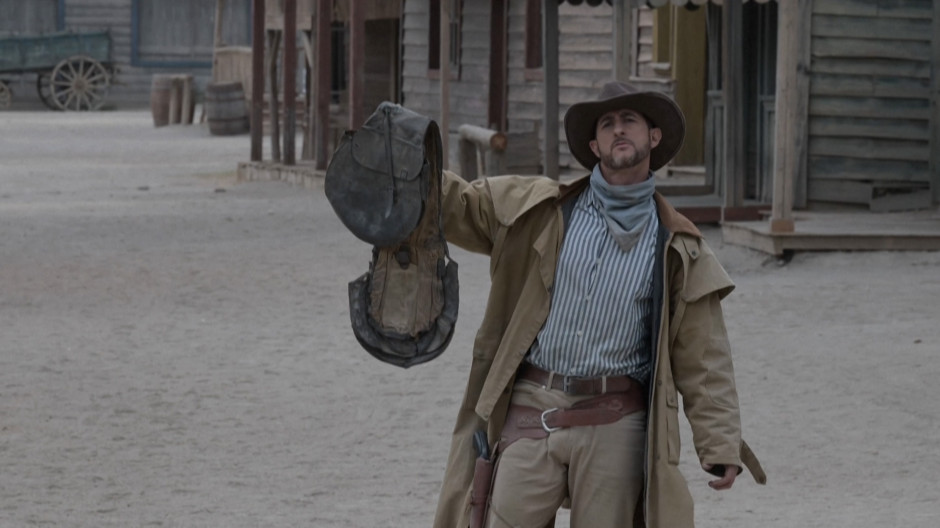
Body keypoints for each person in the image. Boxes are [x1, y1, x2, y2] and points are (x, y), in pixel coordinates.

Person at [432, 81, 765, 528]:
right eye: (607, 124)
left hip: (617, 418)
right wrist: (409, 167)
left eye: (630, 120)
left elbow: (704, 356)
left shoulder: (677, 245)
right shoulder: (542, 211)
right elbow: (463, 205)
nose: (618, 129)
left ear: (653, 137)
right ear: (594, 145)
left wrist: (719, 441)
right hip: (533, 406)